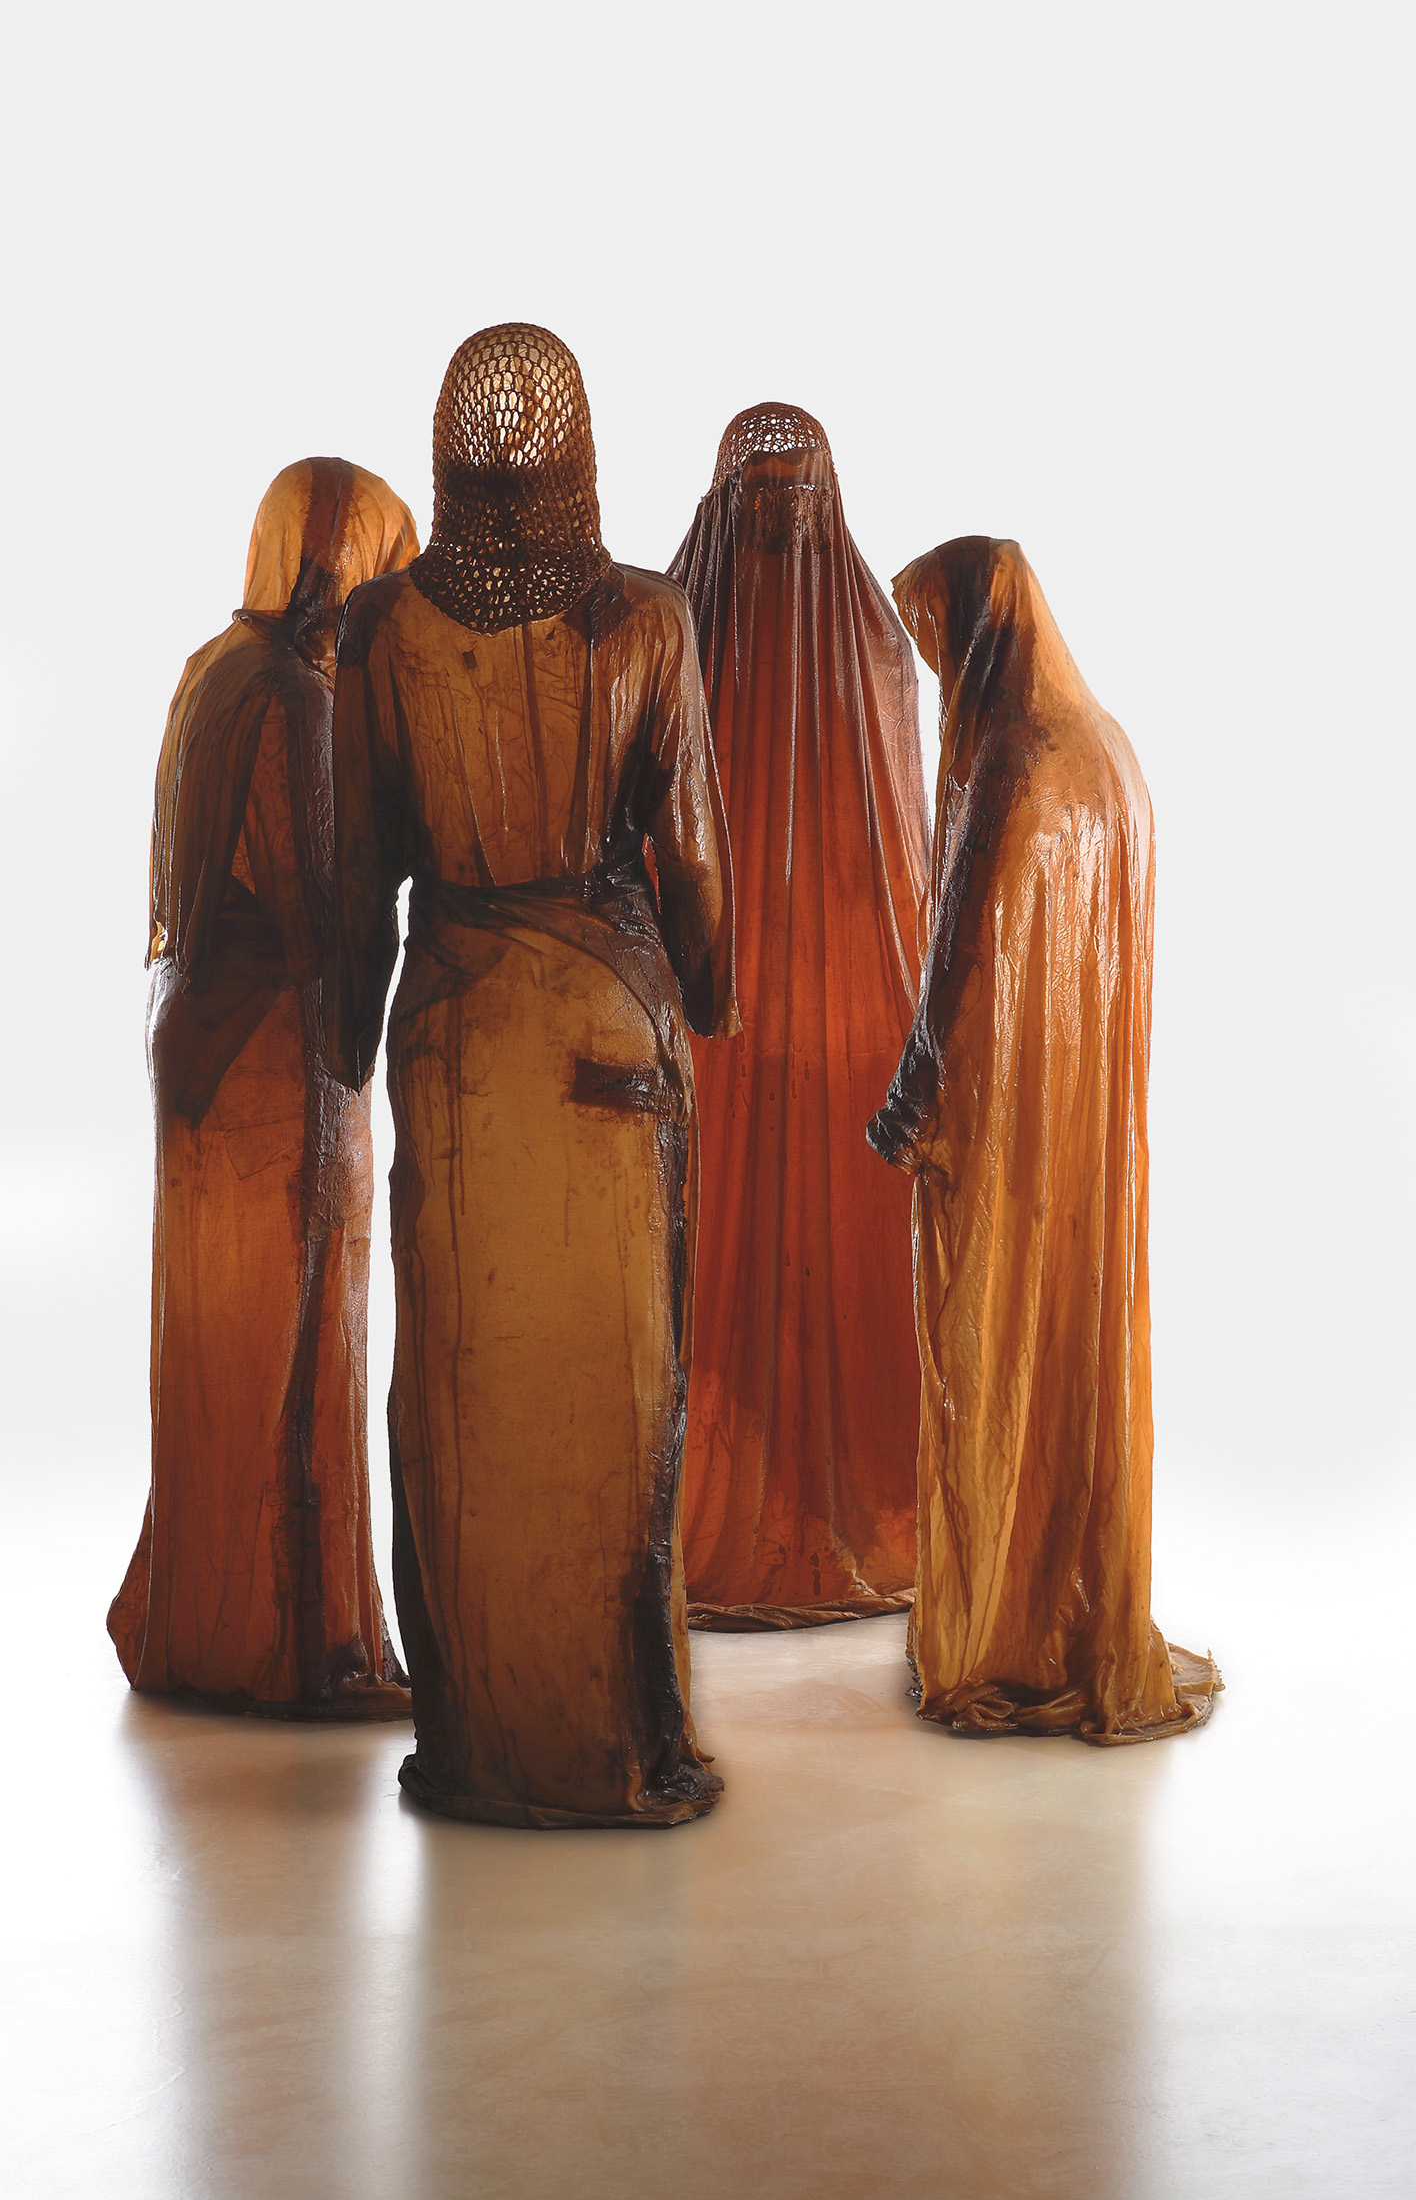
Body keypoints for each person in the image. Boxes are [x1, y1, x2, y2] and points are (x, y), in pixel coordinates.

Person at [327, 324, 737, 1827]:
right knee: (618, 1387)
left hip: (451, 1033)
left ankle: (483, 1738)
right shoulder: (647, 621)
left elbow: (355, 869)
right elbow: (693, 858)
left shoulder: (380, 631)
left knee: (464, 1385)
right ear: (582, 454)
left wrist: (346, 1033)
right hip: (608, 1028)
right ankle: (617, 1736)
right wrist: (711, 996)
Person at [868, 536, 1220, 1741]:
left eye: (936, 642)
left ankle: (998, 1632)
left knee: (987, 1352)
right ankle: (1067, 1603)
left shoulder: (1008, 758)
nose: (936, 675)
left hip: (1002, 1123)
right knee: (1070, 1345)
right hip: (1083, 1130)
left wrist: (912, 1097)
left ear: (976, 632)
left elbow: (961, 956)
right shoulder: (1105, 747)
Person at [109, 457, 418, 1719]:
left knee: (221, 1341)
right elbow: (315, 901)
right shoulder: (294, 694)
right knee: (295, 1338)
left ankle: (202, 1626)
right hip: (277, 1055)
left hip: (196, 1042)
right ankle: (300, 1648)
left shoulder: (210, 669)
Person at [669, 403, 932, 1627]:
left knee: (812, 1257)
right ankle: (754, 1497)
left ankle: (824, 1504)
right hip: (725, 1020)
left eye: (791, 502)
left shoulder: (854, 645)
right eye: (759, 503)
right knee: (723, 1258)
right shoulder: (679, 631)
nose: (777, 526)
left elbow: (899, 862)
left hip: (818, 1025)